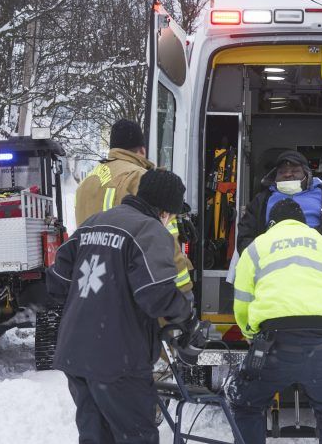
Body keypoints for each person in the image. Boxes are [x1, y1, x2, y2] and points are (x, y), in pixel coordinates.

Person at [47, 170, 205, 444]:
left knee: (95, 436)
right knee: (136, 436)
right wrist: (186, 316)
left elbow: (57, 282)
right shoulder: (149, 230)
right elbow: (156, 295)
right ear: (166, 211)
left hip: (75, 351)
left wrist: (96, 302)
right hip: (117, 359)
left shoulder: (92, 224)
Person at [226, 199, 322, 444]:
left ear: (272, 223)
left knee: (247, 404)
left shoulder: (256, 248)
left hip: (275, 343)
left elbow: (243, 300)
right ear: (303, 222)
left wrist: (249, 331)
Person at [75, 118, 193, 293]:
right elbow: (165, 239)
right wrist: (183, 290)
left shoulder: (87, 182)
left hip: (92, 283)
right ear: (142, 150)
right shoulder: (140, 178)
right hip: (131, 286)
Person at [236, 150, 322, 267]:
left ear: (307, 174)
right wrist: (262, 259)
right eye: (282, 172)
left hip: (317, 263)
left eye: (295, 170)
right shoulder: (262, 200)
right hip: (271, 265)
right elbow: (245, 237)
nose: (288, 174)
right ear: (274, 177)